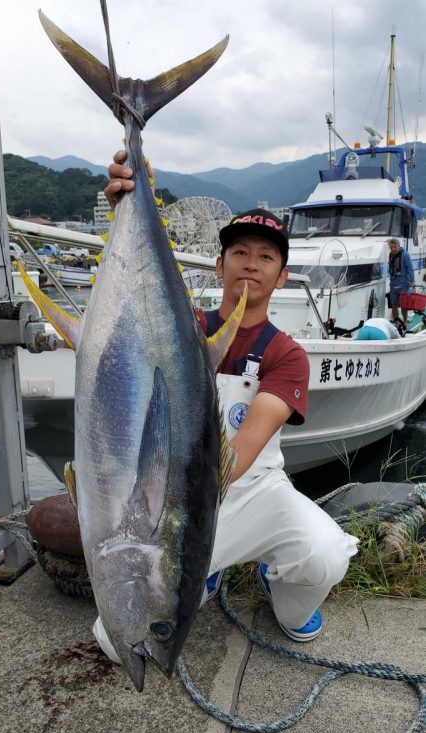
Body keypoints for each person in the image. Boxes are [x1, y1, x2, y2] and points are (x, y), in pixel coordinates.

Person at [95, 151, 358, 658]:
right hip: (171, 498)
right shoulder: (182, 326)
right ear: (220, 264)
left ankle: (286, 596)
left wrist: (173, 527)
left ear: (281, 277)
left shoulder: (286, 354)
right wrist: (125, 204)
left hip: (249, 489)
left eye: (266, 257)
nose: (251, 265)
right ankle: (208, 571)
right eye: (240, 252)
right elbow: (129, 315)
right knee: (120, 638)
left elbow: (239, 453)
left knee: (323, 556)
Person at [387, 238, 415, 324]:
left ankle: (405, 321)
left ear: (399, 245)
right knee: (393, 304)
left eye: (395, 247)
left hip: (403, 283)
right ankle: (396, 322)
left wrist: (412, 281)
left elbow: (410, 268)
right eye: (391, 247)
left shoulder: (405, 255)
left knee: (403, 304)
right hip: (394, 282)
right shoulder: (390, 254)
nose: (393, 249)